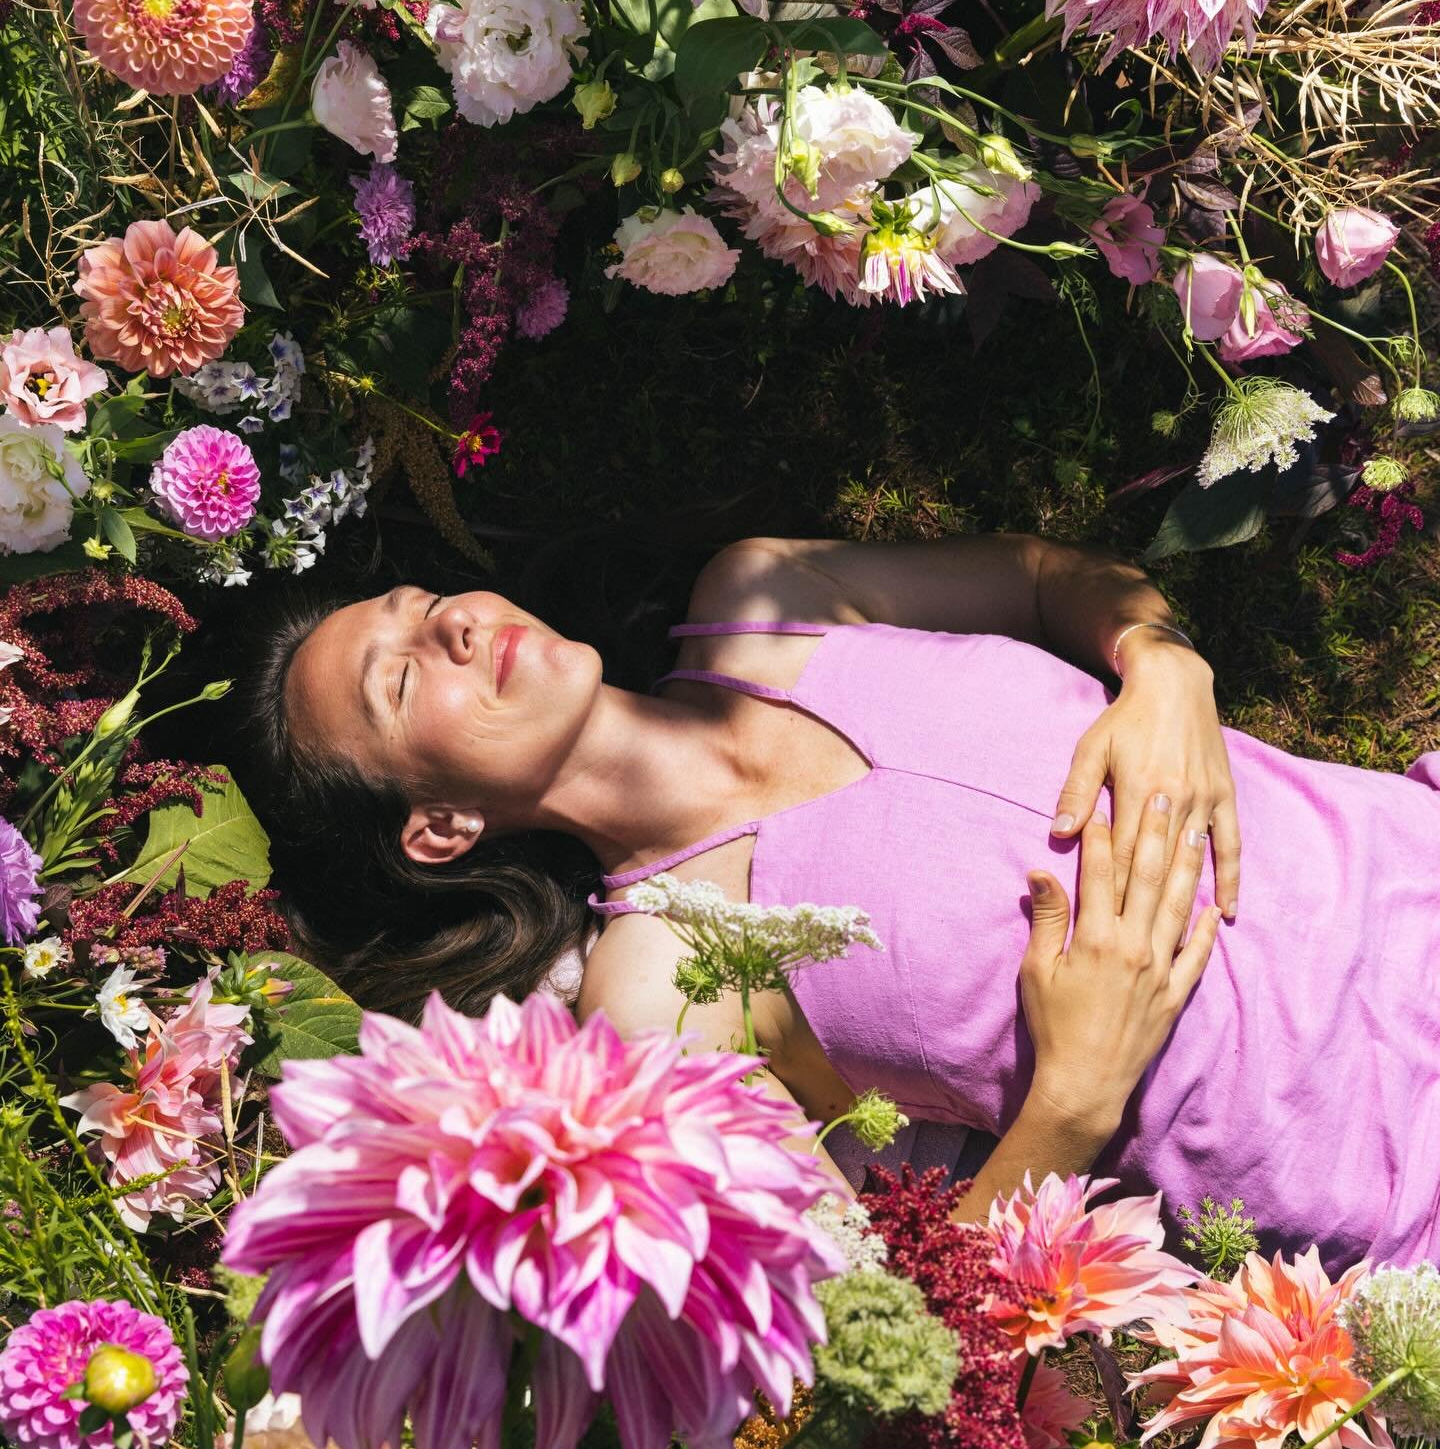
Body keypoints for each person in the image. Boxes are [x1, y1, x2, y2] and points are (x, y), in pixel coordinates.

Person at [240, 533, 1440, 1269]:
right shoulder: (660, 1001)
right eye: (403, 677)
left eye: (417, 601)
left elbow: (1039, 578)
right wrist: (1072, 1102)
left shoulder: (762, 597)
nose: (450, 621)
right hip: (1392, 1167)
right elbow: (894, 1339)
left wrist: (1162, 658)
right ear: (439, 831)